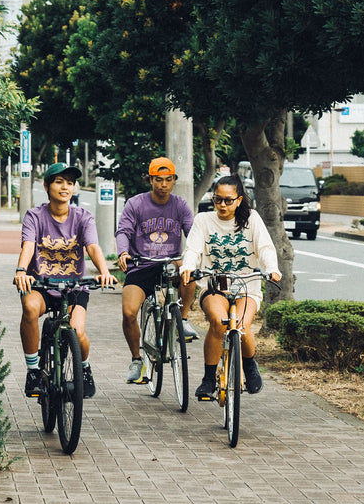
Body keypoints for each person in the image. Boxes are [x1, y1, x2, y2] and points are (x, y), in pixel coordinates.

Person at [14, 162, 116, 400]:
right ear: (47, 186)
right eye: (59, 182)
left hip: (74, 287)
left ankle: (85, 368)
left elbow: (92, 246)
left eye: (70, 183)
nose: (65, 187)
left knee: (77, 332)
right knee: (29, 308)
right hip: (41, 285)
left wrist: (103, 271)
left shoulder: (83, 217)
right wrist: (21, 271)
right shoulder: (34, 216)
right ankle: (33, 372)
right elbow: (28, 245)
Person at [179, 173, 281, 400]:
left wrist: (272, 268)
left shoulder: (252, 219)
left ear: (239, 200)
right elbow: (193, 249)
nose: (222, 205)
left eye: (228, 200)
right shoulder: (203, 220)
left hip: (247, 285)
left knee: (242, 326)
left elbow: (265, 247)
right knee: (218, 322)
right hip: (215, 285)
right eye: (217, 199)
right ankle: (208, 379)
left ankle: (250, 364)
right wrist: (187, 267)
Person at [115, 157, 198, 386]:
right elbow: (123, 231)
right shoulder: (136, 204)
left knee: (188, 269)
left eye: (168, 180)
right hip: (141, 263)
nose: (163, 185)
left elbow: (192, 232)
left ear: (174, 181)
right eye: (158, 180)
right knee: (129, 312)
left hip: (170, 262)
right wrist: (123, 253)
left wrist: (197, 254)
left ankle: (184, 318)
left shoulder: (180, 205)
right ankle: (136, 359)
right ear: (151, 180)